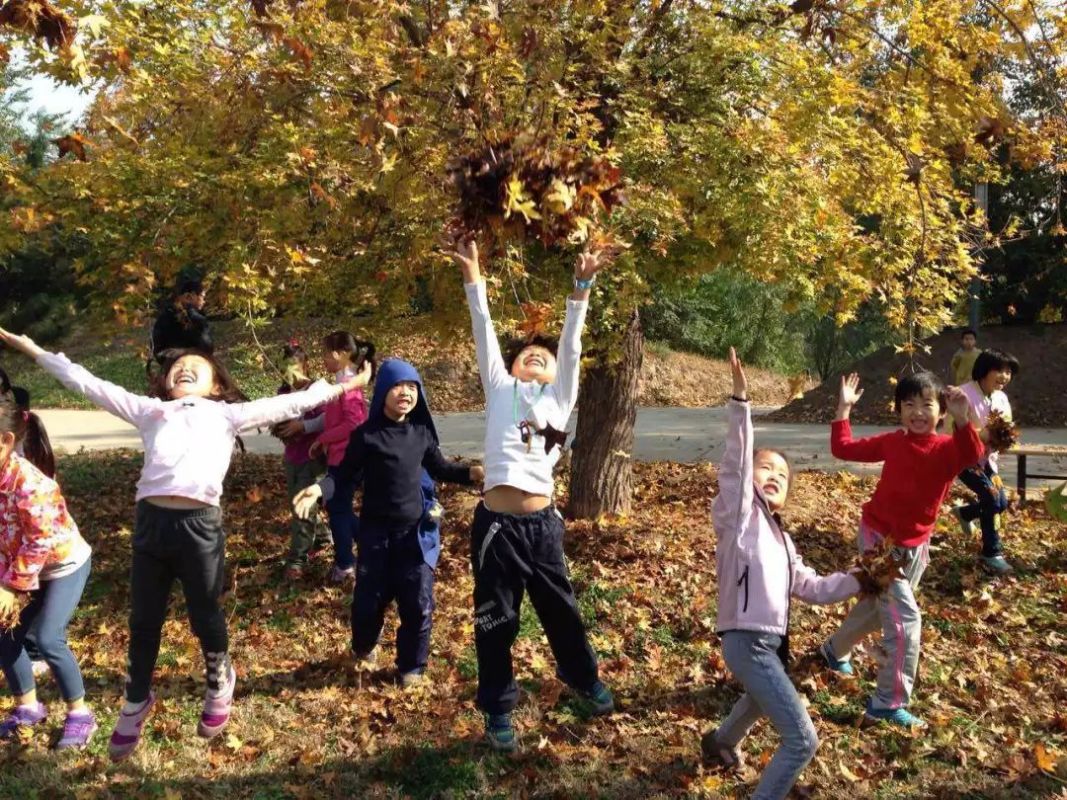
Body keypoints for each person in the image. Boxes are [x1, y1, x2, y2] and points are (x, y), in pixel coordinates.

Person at [0, 325, 370, 761]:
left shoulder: (228, 414)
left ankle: (220, 676)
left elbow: (294, 401)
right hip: (151, 527)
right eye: (178, 366)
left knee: (204, 612)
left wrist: (349, 382)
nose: (185, 369)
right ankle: (136, 699)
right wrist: (37, 351)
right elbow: (87, 382)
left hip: (200, 527)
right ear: (165, 382)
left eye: (197, 367)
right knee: (143, 621)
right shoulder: (149, 411)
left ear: (217, 386)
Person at [449, 236, 613, 752]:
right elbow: (484, 334)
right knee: (495, 619)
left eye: (543, 357)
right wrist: (474, 278)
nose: (536, 360)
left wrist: (581, 289)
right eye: (528, 356)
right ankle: (498, 708)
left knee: (560, 608)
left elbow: (573, 345)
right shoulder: (499, 388)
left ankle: (582, 676)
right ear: (514, 367)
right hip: (496, 527)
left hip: (542, 528)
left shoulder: (560, 399)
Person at [702, 349, 864, 800]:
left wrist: (860, 577)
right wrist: (740, 402)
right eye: (766, 468)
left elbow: (812, 587)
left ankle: (720, 742)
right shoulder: (738, 516)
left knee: (760, 697)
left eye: (783, 475)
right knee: (801, 740)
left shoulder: (782, 540)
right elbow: (735, 464)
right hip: (746, 641)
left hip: (767, 645)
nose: (774, 475)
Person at [295, 359, 483, 685]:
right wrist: (319, 487)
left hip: (414, 535)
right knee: (368, 603)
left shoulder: (421, 433)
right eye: (398, 386)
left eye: (412, 387)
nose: (406, 393)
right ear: (383, 391)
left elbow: (440, 469)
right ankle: (365, 646)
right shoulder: (366, 436)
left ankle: (412, 667)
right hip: (375, 536)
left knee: (419, 603)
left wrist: (471, 474)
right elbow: (344, 476)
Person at [818, 371, 983, 727]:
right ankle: (887, 704)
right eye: (909, 404)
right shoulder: (894, 442)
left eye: (927, 404)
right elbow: (843, 448)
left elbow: (973, 453)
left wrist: (963, 418)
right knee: (905, 620)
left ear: (940, 412)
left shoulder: (946, 448)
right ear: (898, 411)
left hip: (915, 546)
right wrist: (843, 409)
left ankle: (833, 651)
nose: (918, 412)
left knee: (880, 609)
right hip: (878, 541)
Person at [0, 396, 96, 749]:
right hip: (22, 569)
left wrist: (10, 587)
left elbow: (39, 543)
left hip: (64, 566)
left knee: (48, 638)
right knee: (4, 639)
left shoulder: (32, 485)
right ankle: (28, 708)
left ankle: (80, 714)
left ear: (6, 441)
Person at [309, 332, 375, 583]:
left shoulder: (350, 385)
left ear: (339, 353)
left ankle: (346, 564)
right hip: (339, 457)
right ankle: (373, 545)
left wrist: (322, 439)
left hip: (347, 460)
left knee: (337, 508)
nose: (324, 359)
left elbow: (354, 423)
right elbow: (334, 419)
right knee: (336, 507)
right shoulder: (342, 383)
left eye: (326, 354)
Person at [950, 349, 1020, 574]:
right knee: (991, 498)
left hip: (988, 460)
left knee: (1000, 502)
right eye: (999, 370)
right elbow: (949, 430)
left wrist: (1004, 437)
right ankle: (992, 552)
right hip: (964, 458)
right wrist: (982, 434)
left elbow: (1005, 426)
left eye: (1009, 372)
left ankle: (965, 513)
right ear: (983, 370)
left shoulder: (1001, 397)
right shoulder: (963, 394)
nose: (1004, 376)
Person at [271, 342, 331, 580]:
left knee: (302, 507)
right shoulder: (283, 393)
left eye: (295, 366)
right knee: (298, 504)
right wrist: (280, 429)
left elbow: (329, 418)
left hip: (314, 457)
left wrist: (302, 426)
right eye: (285, 368)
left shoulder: (316, 390)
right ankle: (325, 537)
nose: (291, 373)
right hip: (292, 457)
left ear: (305, 365)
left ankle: (297, 560)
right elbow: (276, 418)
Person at [151, 278, 213, 360]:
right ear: (190, 296)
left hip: (170, 362)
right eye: (202, 297)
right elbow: (207, 348)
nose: (204, 301)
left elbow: (157, 348)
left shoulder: (164, 315)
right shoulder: (197, 319)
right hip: (187, 362)